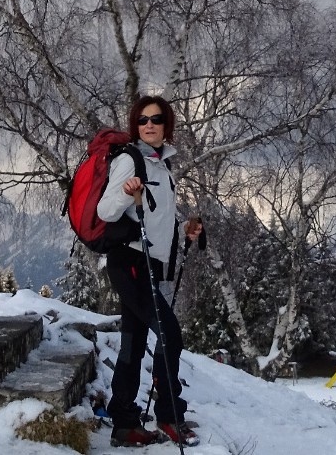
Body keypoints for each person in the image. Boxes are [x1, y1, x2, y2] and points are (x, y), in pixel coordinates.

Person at [97, 95, 201, 448]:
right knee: (170, 333)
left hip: (148, 265)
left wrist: (183, 230)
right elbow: (106, 210)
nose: (150, 125)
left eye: (156, 119)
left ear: (166, 124)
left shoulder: (161, 165)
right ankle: (170, 415)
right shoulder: (130, 159)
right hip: (129, 262)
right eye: (142, 120)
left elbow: (157, 217)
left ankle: (124, 423)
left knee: (133, 344)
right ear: (135, 126)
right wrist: (128, 193)